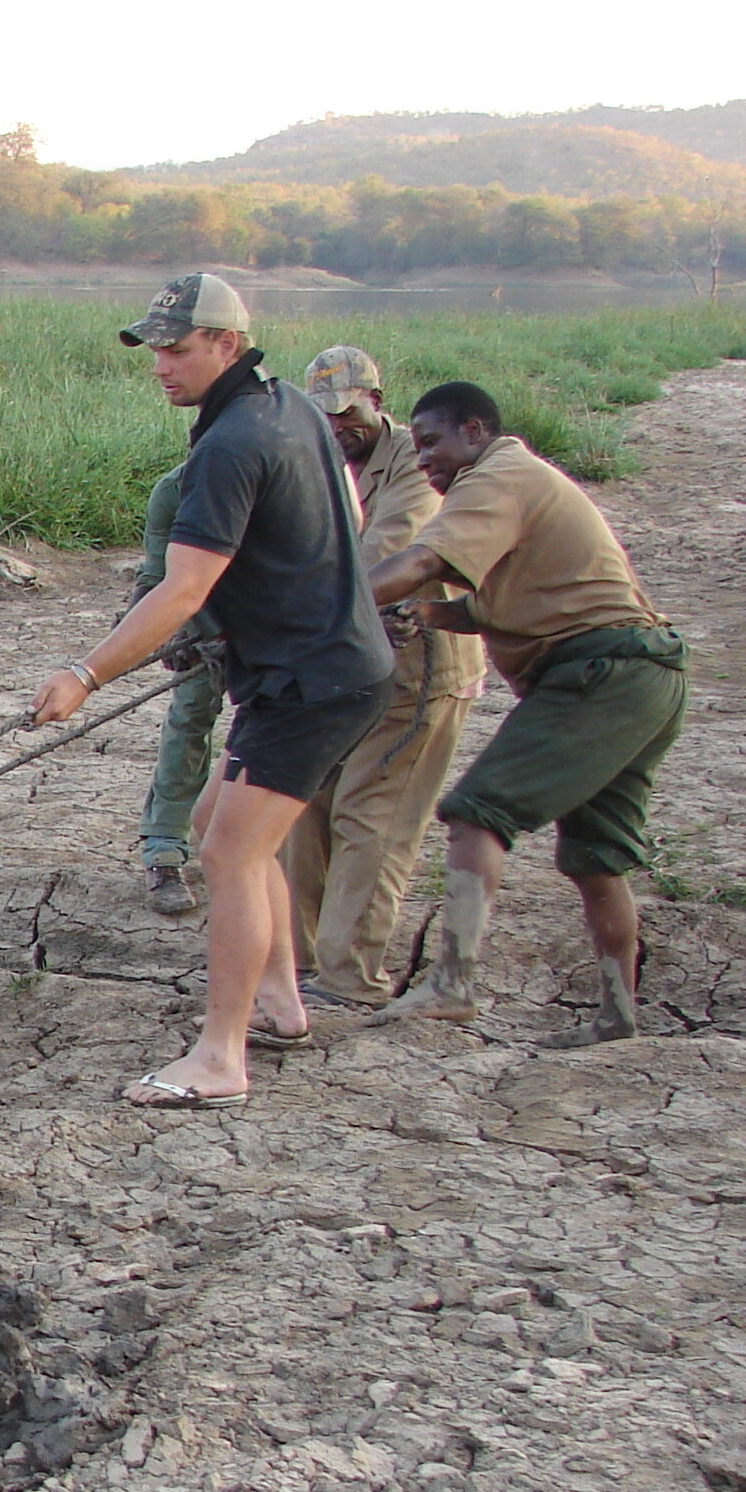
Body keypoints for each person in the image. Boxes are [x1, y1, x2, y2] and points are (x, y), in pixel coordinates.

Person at [28, 273, 393, 1108]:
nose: (161, 364)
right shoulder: (286, 404)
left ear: (227, 344)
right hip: (322, 668)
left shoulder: (231, 444)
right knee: (210, 824)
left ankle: (222, 1056)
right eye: (154, 347)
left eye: (178, 348)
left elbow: (182, 589)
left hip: (314, 683)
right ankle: (282, 1006)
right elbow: (349, 520)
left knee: (231, 853)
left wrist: (84, 676)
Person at [366, 381, 687, 1045]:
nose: (423, 459)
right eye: (416, 446)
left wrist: (322, 605)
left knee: (476, 812)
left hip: (602, 675)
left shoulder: (498, 476)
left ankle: (453, 981)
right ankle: (617, 1018)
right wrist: (423, 612)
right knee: (598, 859)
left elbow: (422, 560)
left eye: (433, 442)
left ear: (476, 430)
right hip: (644, 679)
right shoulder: (515, 483)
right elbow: (492, 603)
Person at [279, 345, 477, 1006]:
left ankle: (349, 978)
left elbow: (382, 558)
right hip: (336, 669)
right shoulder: (319, 463)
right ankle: (295, 959)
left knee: (373, 817)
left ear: (377, 402)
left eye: (348, 413)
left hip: (414, 670)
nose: (338, 426)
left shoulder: (419, 468)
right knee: (303, 803)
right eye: (325, 415)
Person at [130, 461, 223, 917]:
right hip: (202, 627)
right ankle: (164, 851)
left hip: (274, 627)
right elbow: (155, 574)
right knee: (189, 717)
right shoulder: (174, 491)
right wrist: (151, 630)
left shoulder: (277, 481)